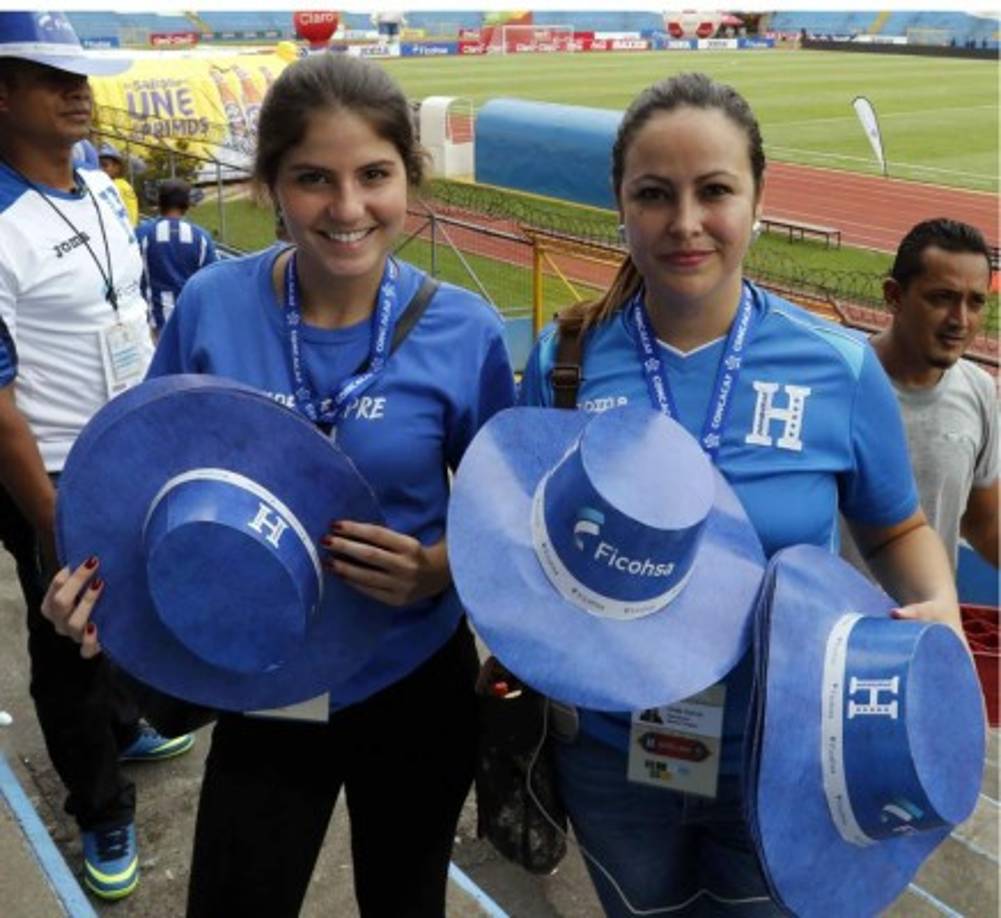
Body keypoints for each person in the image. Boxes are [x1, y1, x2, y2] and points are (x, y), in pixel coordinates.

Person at [43, 52, 516, 917]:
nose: (346, 208)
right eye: (312, 178)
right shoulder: (213, 305)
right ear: (268, 185)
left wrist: (437, 568)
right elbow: (139, 475)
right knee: (235, 898)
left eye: (374, 175)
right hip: (262, 673)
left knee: (404, 901)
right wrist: (89, 594)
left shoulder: (465, 330)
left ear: (409, 177)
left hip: (410, 674)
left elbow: (509, 512)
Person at [516, 72, 964, 916]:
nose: (685, 223)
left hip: (790, 758)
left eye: (714, 190)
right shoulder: (565, 361)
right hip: (611, 757)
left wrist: (935, 599)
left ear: (759, 198)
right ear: (619, 203)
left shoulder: (835, 367)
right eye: (654, 194)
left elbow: (895, 526)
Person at [0, 10, 193, 902]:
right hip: (48, 467)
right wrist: (50, 519)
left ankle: (122, 727)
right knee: (66, 636)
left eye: (82, 74)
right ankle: (101, 808)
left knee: (118, 614)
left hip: (122, 446)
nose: (80, 92)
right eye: (53, 76)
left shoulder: (104, 189)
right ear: (3, 95)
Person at [842, 218, 997, 574]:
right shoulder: (836, 382)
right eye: (942, 298)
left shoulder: (979, 390)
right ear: (894, 296)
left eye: (975, 303)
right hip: (830, 623)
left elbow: (984, 523)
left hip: (923, 626)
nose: (960, 320)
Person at [135, 178, 218, 334]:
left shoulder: (142, 234)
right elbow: (212, 280)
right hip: (192, 322)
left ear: (159, 202)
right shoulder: (201, 237)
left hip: (152, 324)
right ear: (187, 205)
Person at [97, 141, 138, 225]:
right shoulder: (98, 184)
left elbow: (131, 215)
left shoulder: (123, 186)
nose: (101, 169)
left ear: (117, 168)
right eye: (98, 166)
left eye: (105, 165)